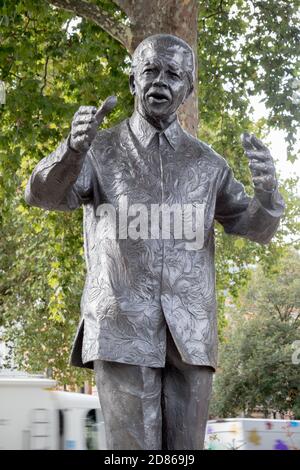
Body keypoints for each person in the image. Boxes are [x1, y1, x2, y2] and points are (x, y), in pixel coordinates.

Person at [25, 34, 285, 450]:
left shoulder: (209, 165)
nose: (160, 81)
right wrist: (72, 152)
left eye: (173, 74)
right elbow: (44, 194)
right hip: (121, 326)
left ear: (188, 89)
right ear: (133, 82)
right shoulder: (99, 152)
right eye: (150, 71)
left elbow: (254, 226)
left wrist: (269, 195)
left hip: (191, 334)